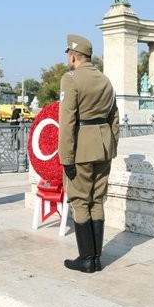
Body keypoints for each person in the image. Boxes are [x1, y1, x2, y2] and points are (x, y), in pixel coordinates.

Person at [58, 34, 119, 273]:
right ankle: (96, 258)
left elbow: (67, 121)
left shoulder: (71, 79)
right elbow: (114, 117)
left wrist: (66, 157)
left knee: (80, 200)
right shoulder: (105, 80)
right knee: (97, 200)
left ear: (73, 56)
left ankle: (85, 258)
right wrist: (111, 145)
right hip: (103, 148)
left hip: (81, 148)